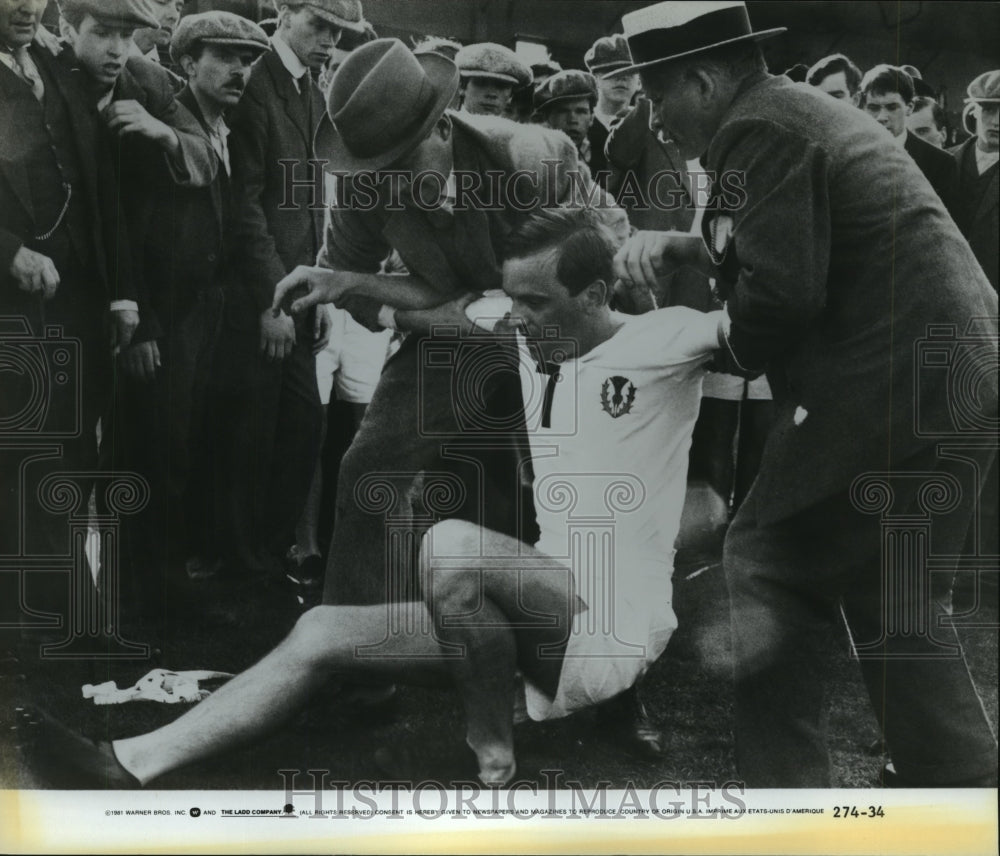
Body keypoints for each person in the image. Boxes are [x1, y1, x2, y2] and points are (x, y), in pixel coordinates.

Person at [23, 205, 730, 788]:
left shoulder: (666, 341)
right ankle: (127, 763)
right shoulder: (524, 332)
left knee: (450, 544)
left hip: (613, 623)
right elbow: (435, 308)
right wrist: (336, 281)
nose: (516, 318)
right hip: (532, 615)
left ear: (598, 295)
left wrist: (690, 244)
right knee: (324, 630)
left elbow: (777, 311)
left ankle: (492, 750)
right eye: (513, 299)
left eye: (535, 303)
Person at [611, 0, 998, 787]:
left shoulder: (757, 130)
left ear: (703, 78)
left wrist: (711, 338)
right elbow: (802, 246)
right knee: (898, 608)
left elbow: (783, 296)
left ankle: (786, 815)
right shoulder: (790, 114)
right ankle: (966, 800)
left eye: (657, 98)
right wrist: (695, 246)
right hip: (955, 377)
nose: (653, 122)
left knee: (764, 563)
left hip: (888, 382)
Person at [110, 11, 270, 624]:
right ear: (186, 63)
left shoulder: (221, 128)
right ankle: (144, 599)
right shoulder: (162, 121)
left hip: (200, 315)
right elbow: (128, 222)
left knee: (179, 452)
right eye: (224, 57)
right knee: (154, 457)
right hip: (162, 317)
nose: (239, 70)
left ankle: (165, 588)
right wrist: (143, 322)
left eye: (248, 60)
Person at [209, 0, 364, 584]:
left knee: (300, 431)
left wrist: (318, 291)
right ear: (286, 14)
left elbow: (314, 204)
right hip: (260, 295)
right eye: (317, 25)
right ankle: (240, 568)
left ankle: (265, 560)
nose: (328, 41)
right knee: (251, 435)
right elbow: (243, 206)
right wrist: (270, 301)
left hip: (299, 292)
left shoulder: (312, 92)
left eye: (336, 32)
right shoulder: (254, 83)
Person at [0, 0, 139, 626]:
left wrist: (118, 293)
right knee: (30, 456)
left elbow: (100, 182)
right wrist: (8, 252)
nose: (27, 4)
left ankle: (61, 610)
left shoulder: (53, 70)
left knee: (76, 451)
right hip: (15, 306)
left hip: (79, 302)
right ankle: (54, 621)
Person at [859, 63, 958, 211]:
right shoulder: (847, 154)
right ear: (862, 107)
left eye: (892, 107)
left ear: (909, 108)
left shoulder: (941, 164)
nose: (881, 117)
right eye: (873, 108)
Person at [950, 69, 998, 291]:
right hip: (944, 286)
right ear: (974, 112)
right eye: (989, 109)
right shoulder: (944, 161)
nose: (996, 121)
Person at [584, 34, 640, 184]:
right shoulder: (581, 123)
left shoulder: (648, 124)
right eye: (611, 71)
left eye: (629, 72)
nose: (621, 78)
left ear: (639, 81)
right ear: (595, 79)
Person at [532, 68, 597, 163]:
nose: (572, 120)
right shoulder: (535, 157)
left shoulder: (603, 154)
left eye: (581, 111)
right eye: (562, 111)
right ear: (547, 117)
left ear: (591, 118)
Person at [454, 40, 531, 117]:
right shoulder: (445, 126)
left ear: (510, 96)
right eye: (482, 83)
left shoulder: (515, 129)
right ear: (462, 87)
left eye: (501, 86)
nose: (491, 94)